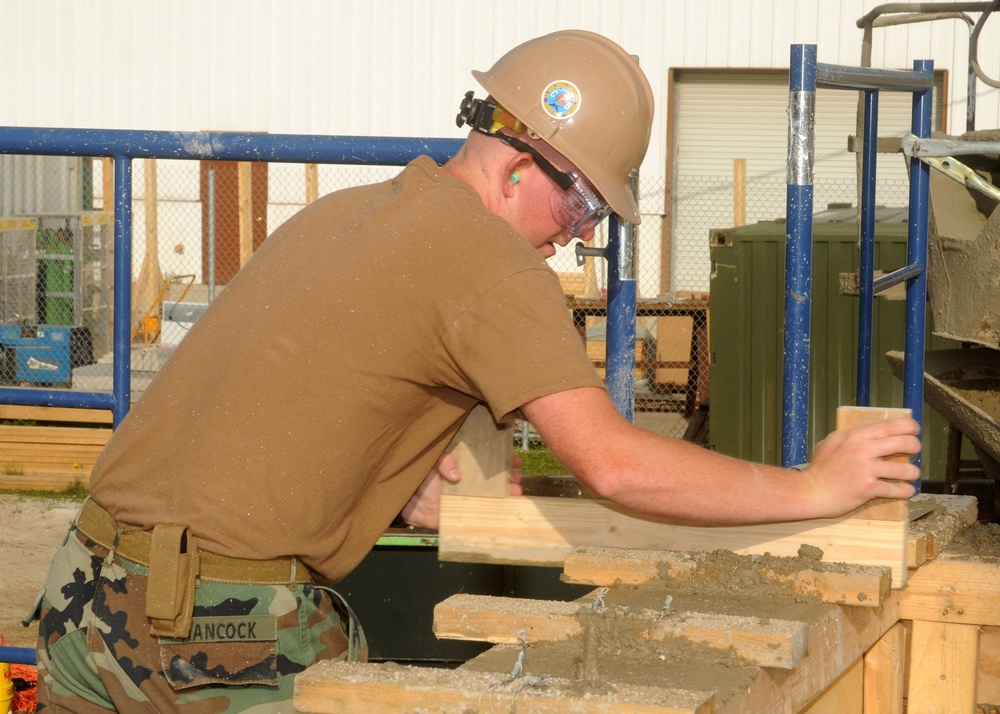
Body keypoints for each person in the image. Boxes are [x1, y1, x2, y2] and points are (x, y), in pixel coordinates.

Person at [28, 29, 921, 712]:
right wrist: (812, 486)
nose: (581, 232)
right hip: (220, 629)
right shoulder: (493, 265)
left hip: (81, 594)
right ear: (522, 161)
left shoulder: (349, 211)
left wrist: (395, 470)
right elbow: (612, 463)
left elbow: (303, 389)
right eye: (581, 201)